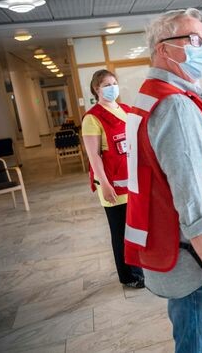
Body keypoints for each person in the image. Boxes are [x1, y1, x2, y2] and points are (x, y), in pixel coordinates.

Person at [124, 9, 202, 353]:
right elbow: (193, 202)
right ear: (164, 49)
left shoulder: (153, 94)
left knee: (190, 334)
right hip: (193, 264)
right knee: (197, 342)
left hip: (180, 253)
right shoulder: (175, 107)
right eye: (193, 39)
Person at [82, 69, 144, 289]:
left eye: (114, 83)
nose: (112, 88)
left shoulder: (126, 110)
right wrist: (105, 185)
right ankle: (128, 276)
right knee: (120, 232)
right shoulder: (92, 117)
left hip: (133, 182)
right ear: (96, 89)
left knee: (136, 229)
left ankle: (140, 269)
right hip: (112, 186)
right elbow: (94, 156)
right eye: (107, 84)